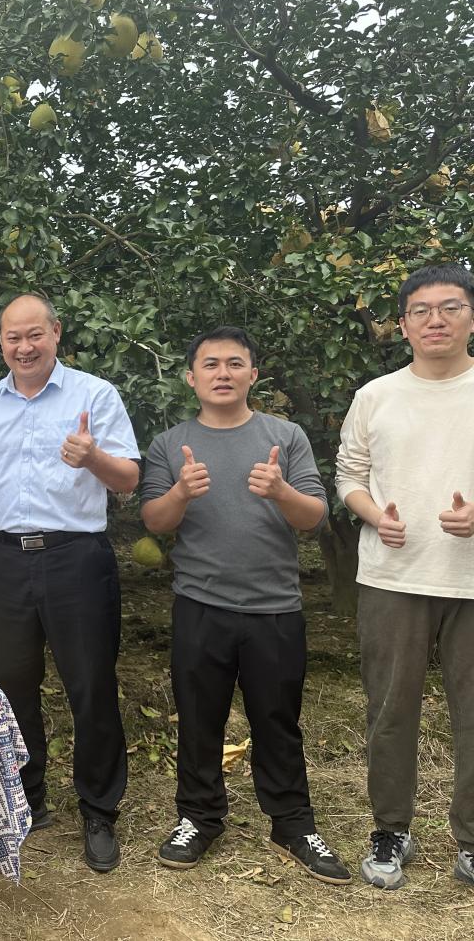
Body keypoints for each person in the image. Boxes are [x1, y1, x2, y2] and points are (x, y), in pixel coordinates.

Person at [140, 326, 351, 884]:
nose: (223, 373)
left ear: (253, 375)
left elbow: (314, 518)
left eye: (235, 363)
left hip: (274, 607)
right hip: (200, 604)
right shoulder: (170, 443)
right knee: (199, 719)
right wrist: (180, 492)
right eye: (210, 364)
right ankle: (199, 817)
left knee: (277, 720)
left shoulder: (285, 436)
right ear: (191, 378)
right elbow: (154, 521)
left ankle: (292, 822)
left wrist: (281, 491)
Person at [0, 293, 138, 873]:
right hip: (5, 559)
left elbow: (128, 478)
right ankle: (26, 797)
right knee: (13, 685)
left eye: (35, 334)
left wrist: (92, 459)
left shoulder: (94, 394)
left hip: (76, 557)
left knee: (91, 684)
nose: (25, 347)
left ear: (56, 333)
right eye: (13, 337)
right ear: (1, 342)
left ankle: (99, 810)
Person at [335, 262, 474, 891]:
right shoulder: (377, 395)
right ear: (404, 324)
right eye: (421, 310)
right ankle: (390, 829)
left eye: (449, 307)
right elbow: (349, 476)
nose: (435, 319)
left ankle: (471, 838)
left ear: (470, 317)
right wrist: (374, 517)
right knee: (391, 712)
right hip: (393, 577)